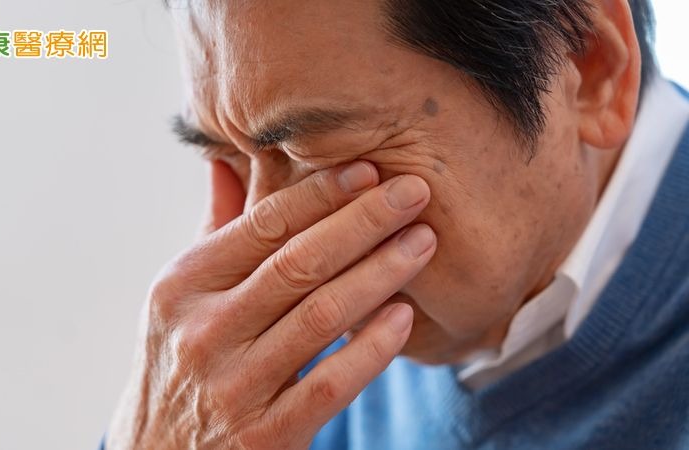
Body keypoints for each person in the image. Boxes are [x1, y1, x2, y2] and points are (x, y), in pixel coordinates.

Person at [104, 0, 689, 448]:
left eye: (323, 158)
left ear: (589, 69)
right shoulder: (238, 390)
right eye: (227, 157)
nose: (272, 257)